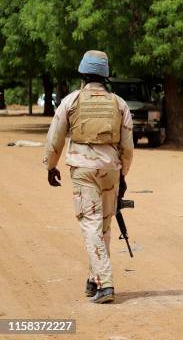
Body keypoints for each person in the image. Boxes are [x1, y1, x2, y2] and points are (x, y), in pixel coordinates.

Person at [43, 50, 134, 304]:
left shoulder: (71, 100)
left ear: (82, 74)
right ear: (105, 75)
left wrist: (51, 166)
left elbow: (55, 138)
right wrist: (123, 173)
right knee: (104, 225)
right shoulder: (119, 103)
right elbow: (127, 146)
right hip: (111, 169)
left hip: (83, 171)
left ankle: (105, 285)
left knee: (90, 223)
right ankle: (94, 280)